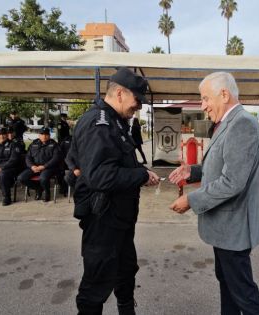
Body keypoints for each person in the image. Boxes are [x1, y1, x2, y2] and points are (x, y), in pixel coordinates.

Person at [169, 72, 259, 315]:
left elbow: (232, 181)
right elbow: (221, 166)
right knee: (229, 287)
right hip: (225, 230)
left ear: (224, 94)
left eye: (205, 99)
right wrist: (191, 171)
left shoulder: (242, 124)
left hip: (233, 230)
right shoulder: (227, 123)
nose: (203, 106)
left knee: (244, 294)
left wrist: (191, 200)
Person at [72, 67, 160, 315]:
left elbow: (82, 163)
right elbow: (100, 174)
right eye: (137, 101)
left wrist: (138, 171)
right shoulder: (98, 123)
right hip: (103, 219)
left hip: (118, 218)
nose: (139, 107)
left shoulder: (114, 121)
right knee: (97, 280)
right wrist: (140, 175)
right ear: (120, 93)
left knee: (125, 270)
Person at [18, 127, 62, 202]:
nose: (44, 136)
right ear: (39, 135)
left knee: (43, 178)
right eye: (42, 134)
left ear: (49, 135)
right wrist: (32, 166)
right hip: (34, 167)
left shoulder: (54, 145)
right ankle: (38, 188)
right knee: (21, 178)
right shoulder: (33, 144)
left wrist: (44, 166)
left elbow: (56, 158)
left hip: (48, 168)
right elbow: (28, 157)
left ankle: (47, 193)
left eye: (46, 134)